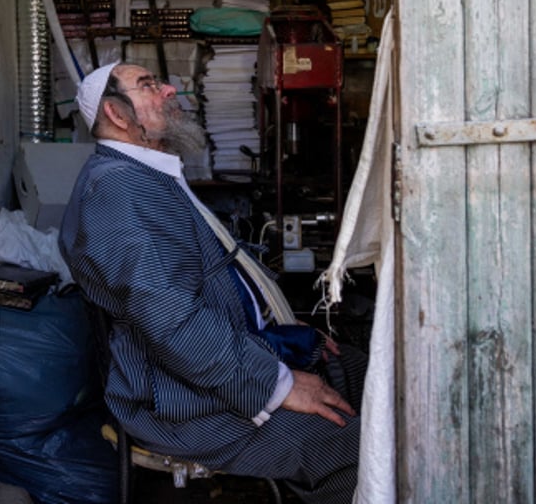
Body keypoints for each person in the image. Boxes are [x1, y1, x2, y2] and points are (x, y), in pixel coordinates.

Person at [59, 61, 367, 504]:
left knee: (362, 374)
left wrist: (289, 339)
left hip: (212, 368)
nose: (169, 89)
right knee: (354, 448)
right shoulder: (117, 191)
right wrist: (276, 383)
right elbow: (172, 320)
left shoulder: (146, 174)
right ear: (117, 114)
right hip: (182, 401)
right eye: (148, 85)